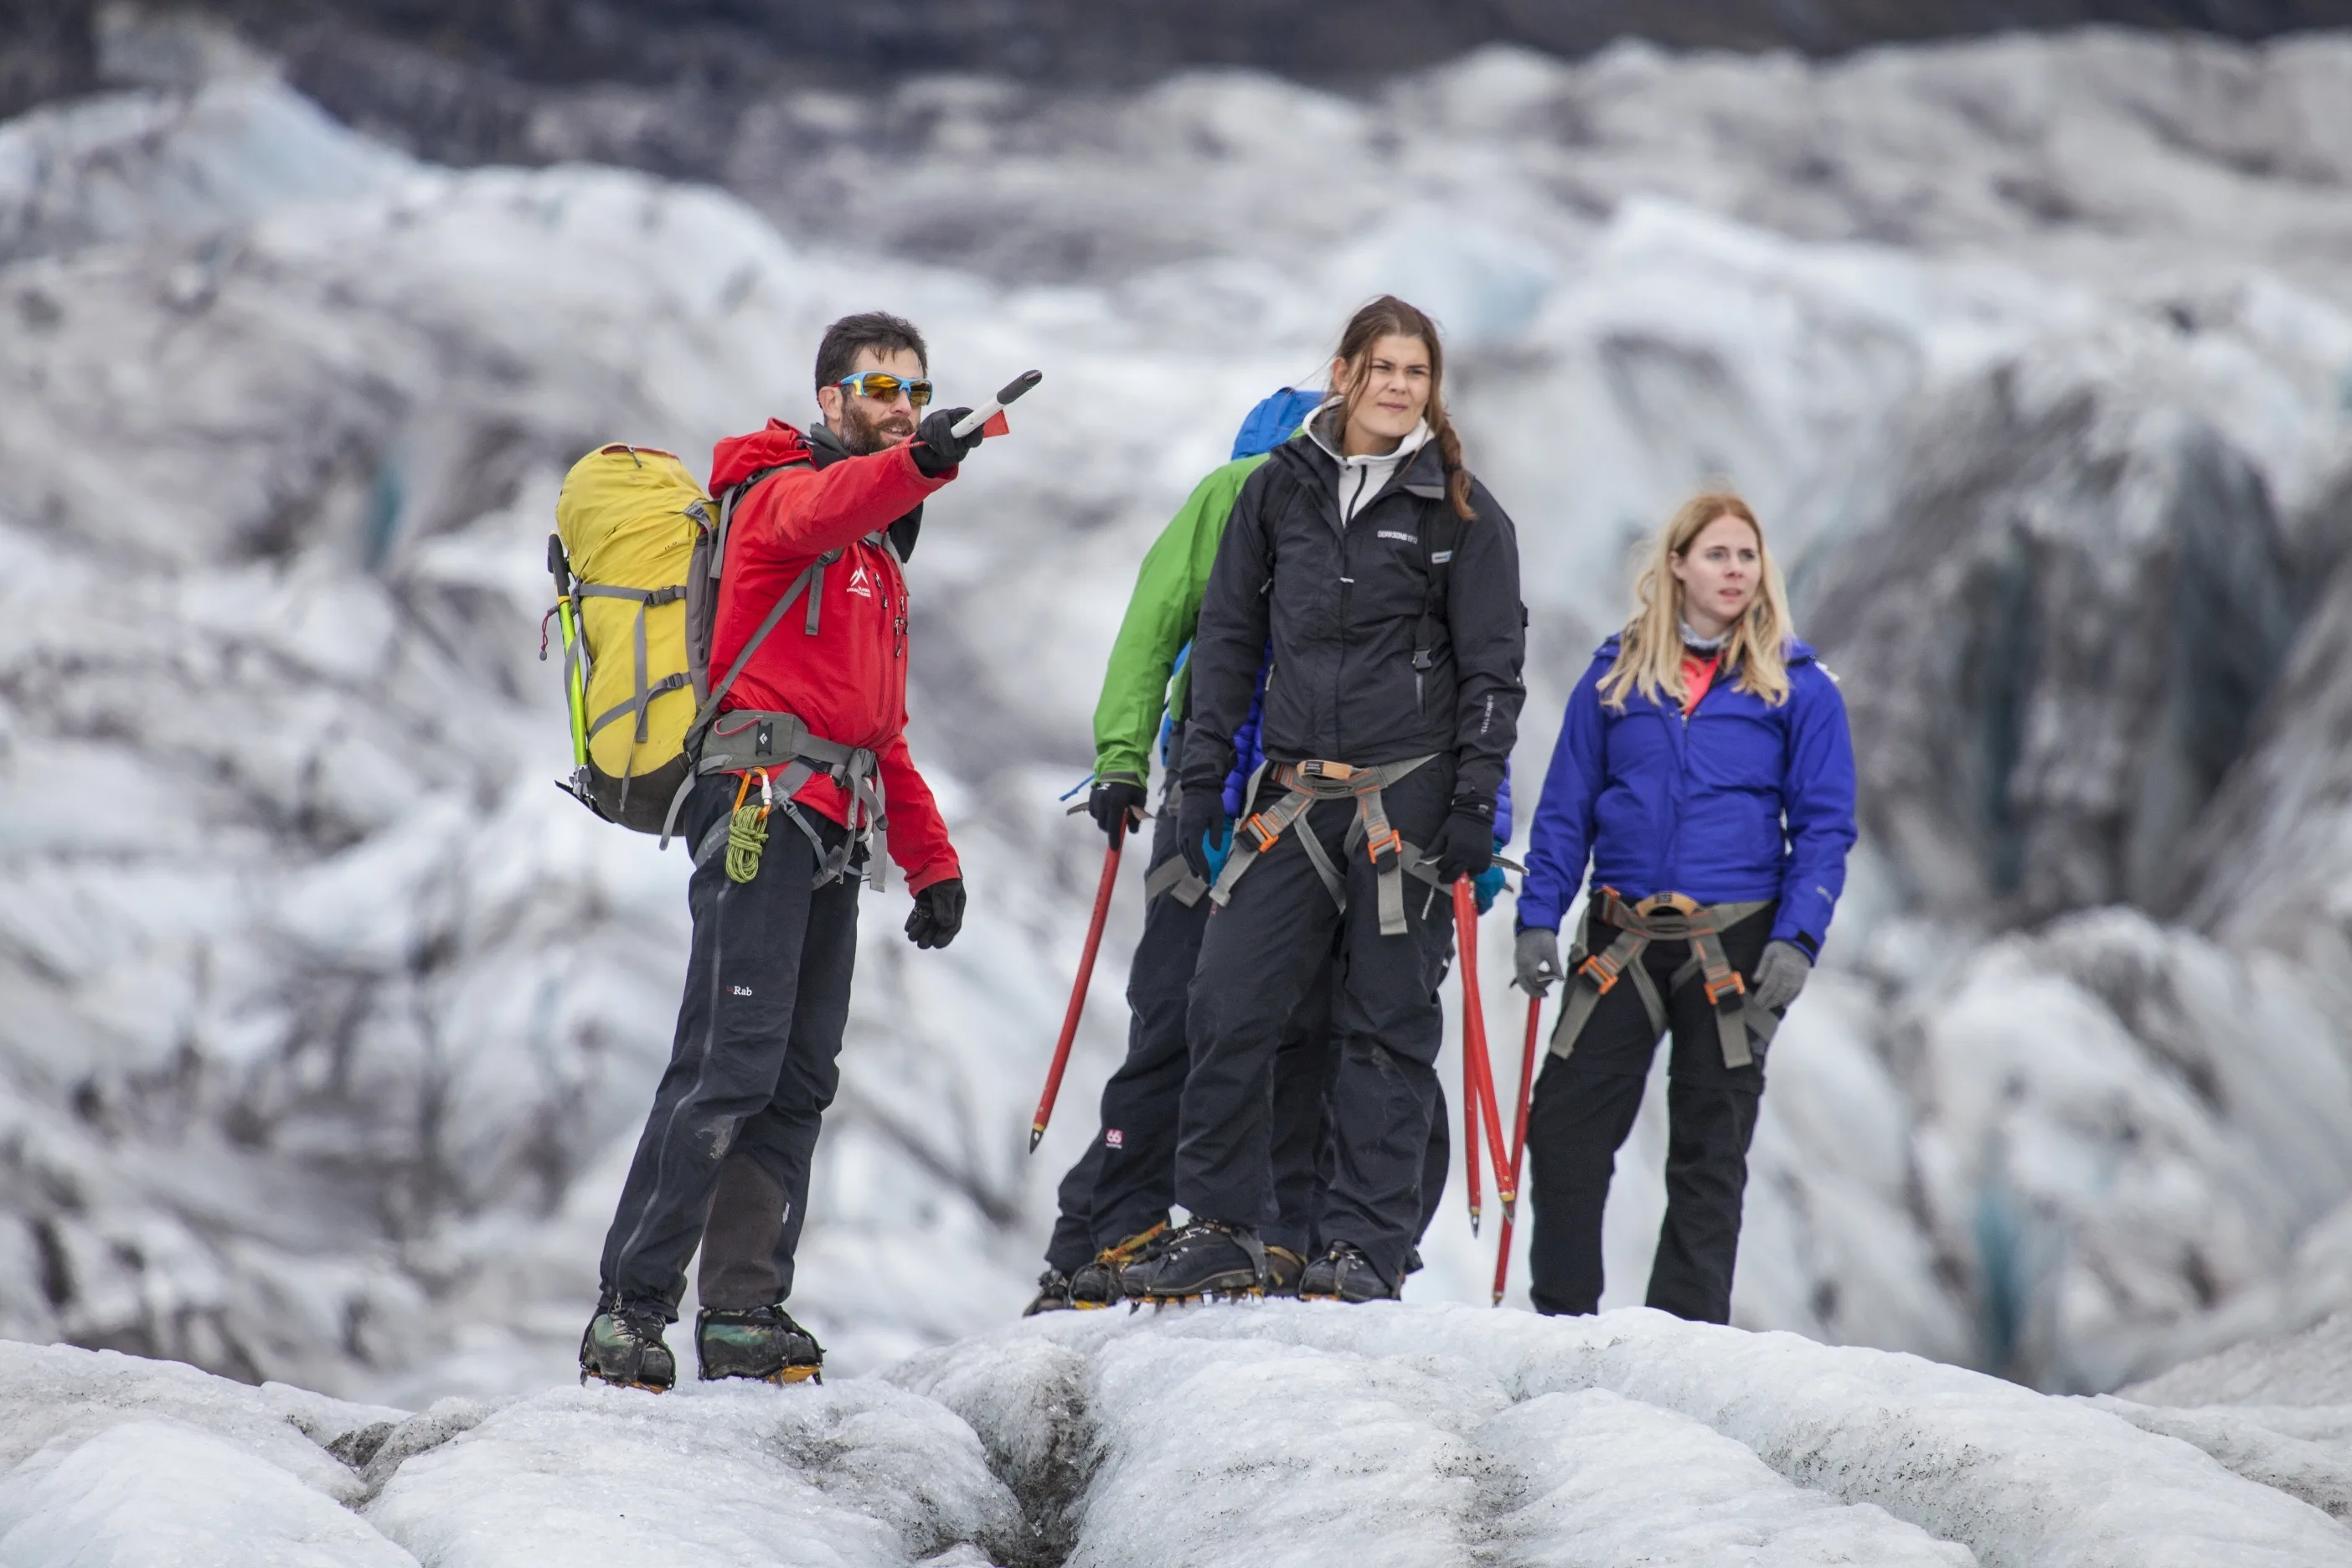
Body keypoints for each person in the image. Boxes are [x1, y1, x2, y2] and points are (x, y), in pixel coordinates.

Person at [580, 312, 985, 1390]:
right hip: (757, 807)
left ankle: (745, 1311)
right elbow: (833, 499)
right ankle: (630, 1310)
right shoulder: (774, 498)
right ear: (829, 399)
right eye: (879, 388)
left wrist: (931, 861)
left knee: (798, 1077)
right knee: (727, 1062)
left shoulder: (871, 561)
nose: (899, 405)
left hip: (833, 828)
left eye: (914, 390)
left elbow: (877, 729)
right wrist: (926, 462)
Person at [1125, 295, 1527, 1305]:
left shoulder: (1466, 514)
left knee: (1384, 1027)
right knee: (1225, 1001)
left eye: (1417, 372)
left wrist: (1475, 801)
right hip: (1291, 796)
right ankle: (1218, 1226)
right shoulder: (1278, 495)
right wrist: (1199, 780)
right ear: (1343, 373)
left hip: (1409, 802)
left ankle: (1363, 1247)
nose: (1400, 387)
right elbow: (1226, 642)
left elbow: (1494, 673)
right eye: (1383, 367)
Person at [1513, 492, 1856, 1323]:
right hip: (1619, 936)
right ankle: (1563, 1324)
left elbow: (1824, 825)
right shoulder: (1615, 675)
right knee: (1564, 1135)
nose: (1735, 570)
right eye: (1717, 555)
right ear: (1676, 565)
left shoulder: (1799, 689)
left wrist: (1798, 938)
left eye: (1747, 556)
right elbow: (1566, 807)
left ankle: (1683, 1339)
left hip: (1734, 943)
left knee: (1709, 1152)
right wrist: (1537, 916)